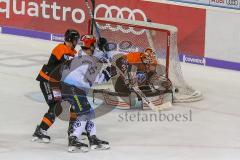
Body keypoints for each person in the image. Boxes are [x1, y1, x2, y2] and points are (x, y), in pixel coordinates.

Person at [60, 34, 116, 152]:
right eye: (94, 45)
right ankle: (73, 139)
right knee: (85, 112)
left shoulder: (79, 53)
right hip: (73, 87)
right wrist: (109, 72)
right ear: (91, 46)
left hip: (67, 86)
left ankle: (93, 138)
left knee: (89, 112)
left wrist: (106, 49)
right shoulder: (89, 61)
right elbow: (97, 80)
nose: (95, 47)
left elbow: (101, 56)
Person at [32, 29, 80, 143]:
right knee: (55, 105)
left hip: (56, 83)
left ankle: (73, 130)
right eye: (75, 39)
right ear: (70, 39)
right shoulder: (61, 48)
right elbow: (67, 65)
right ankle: (40, 131)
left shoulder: (73, 52)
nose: (76, 41)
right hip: (47, 81)